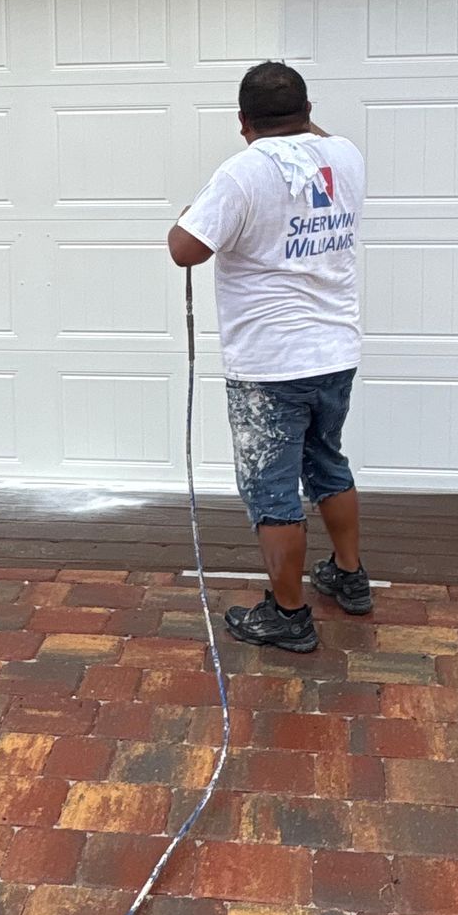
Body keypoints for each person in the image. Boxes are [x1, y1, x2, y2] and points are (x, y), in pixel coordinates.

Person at [168, 59, 371, 652]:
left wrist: (192, 208)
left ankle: (288, 614)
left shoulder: (240, 173)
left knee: (271, 488)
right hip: (335, 352)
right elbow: (319, 137)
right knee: (327, 461)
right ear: (308, 112)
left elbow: (185, 249)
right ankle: (349, 577)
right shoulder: (345, 156)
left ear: (242, 122)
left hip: (270, 363)